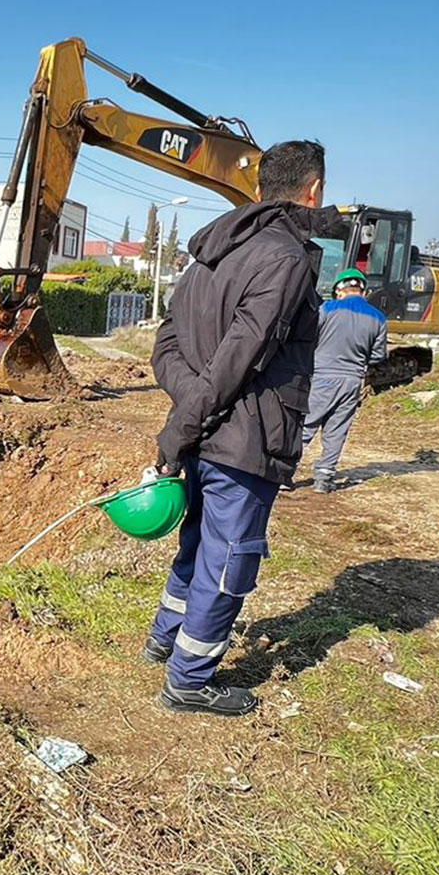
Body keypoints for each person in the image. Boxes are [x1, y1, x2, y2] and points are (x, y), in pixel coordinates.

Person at [144, 139, 331, 716]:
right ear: (314, 190)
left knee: (197, 544)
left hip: (206, 431)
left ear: (256, 188)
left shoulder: (209, 255)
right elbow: (239, 357)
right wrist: (190, 418)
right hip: (243, 439)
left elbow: (166, 348)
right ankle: (190, 680)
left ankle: (164, 639)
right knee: (228, 562)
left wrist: (190, 412)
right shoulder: (285, 258)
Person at [297, 266, 388, 494]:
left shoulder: (327, 309)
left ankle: (283, 473)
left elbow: (307, 337)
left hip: (322, 377)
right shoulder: (378, 318)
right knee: (337, 431)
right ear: (363, 292)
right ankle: (324, 478)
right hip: (352, 381)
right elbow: (378, 356)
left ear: (339, 290)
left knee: (305, 426)